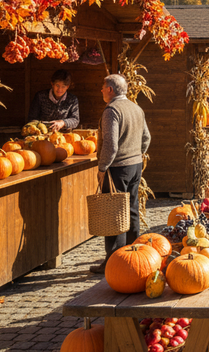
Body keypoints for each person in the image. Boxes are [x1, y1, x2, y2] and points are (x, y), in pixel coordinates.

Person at [90, 74, 150, 273]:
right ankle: (135, 254)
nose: (101, 90)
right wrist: (138, 153)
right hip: (135, 165)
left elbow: (111, 144)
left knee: (114, 213)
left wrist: (102, 167)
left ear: (110, 90)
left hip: (117, 167)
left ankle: (114, 262)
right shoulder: (136, 108)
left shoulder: (112, 110)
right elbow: (146, 137)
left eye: (103, 87)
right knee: (131, 209)